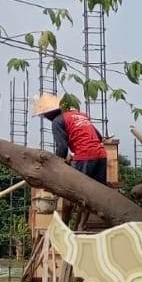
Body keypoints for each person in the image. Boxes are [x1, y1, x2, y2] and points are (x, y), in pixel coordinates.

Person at [32, 94, 107, 223]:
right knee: (93, 196)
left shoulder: (57, 121)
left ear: (49, 113)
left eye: (44, 115)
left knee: (71, 193)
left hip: (85, 156)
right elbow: (99, 137)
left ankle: (65, 226)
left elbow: (62, 148)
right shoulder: (80, 115)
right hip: (101, 156)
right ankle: (81, 226)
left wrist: (55, 165)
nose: (45, 118)